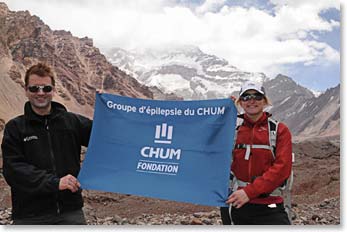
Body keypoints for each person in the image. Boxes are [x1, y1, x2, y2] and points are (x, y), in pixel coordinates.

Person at [1, 63, 92, 225]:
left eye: (46, 88)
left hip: (70, 212)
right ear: (26, 90)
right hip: (29, 216)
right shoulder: (15, 128)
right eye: (34, 88)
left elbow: (104, 138)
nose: (41, 93)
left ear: (54, 90)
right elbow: (13, 170)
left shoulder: (72, 122)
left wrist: (107, 106)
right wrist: (55, 183)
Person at [223, 81, 292, 225]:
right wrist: (223, 112)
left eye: (257, 96)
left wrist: (249, 192)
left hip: (270, 204)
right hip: (237, 204)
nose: (252, 100)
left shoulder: (279, 130)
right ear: (240, 102)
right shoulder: (232, 130)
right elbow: (208, 142)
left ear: (265, 101)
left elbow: (282, 168)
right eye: (246, 97)